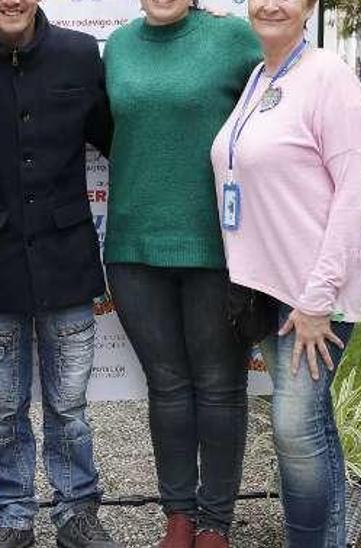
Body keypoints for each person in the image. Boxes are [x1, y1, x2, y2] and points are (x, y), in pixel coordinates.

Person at [0, 1, 117, 547]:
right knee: (4, 410)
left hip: (67, 260)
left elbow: (115, 140)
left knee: (70, 408)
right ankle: (13, 516)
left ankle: (77, 514)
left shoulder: (79, 52)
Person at [209, 0, 361, 544]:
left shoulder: (328, 77)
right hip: (271, 287)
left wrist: (316, 299)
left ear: (309, 7)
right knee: (306, 427)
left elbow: (356, 194)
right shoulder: (262, 74)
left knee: (295, 428)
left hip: (314, 295)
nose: (271, 4)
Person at [102, 1, 260, 547]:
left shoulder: (235, 38)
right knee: (167, 386)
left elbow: (289, 89)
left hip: (218, 247)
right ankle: (178, 517)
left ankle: (215, 522)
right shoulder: (119, 46)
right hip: (132, 246)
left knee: (219, 387)